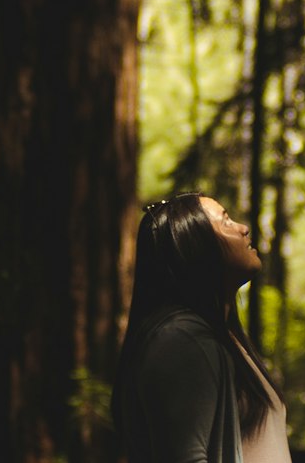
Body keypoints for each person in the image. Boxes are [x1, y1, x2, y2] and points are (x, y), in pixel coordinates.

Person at [112, 191, 292, 463]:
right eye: (226, 222)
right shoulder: (183, 340)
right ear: (195, 247)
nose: (243, 229)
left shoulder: (222, 338)